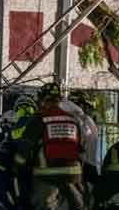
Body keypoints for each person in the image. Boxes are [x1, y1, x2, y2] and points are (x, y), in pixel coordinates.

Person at [16, 82, 85, 210]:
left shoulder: (39, 119)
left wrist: (17, 167)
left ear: (42, 101)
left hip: (46, 174)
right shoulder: (73, 120)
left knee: (42, 205)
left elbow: (24, 147)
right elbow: (81, 147)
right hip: (73, 174)